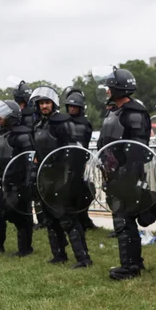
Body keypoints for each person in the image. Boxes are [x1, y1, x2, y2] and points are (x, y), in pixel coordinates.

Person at [96, 68, 154, 280]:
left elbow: (137, 148)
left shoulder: (135, 112)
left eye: (111, 87)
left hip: (128, 174)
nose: (108, 91)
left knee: (124, 220)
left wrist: (124, 172)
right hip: (114, 173)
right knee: (122, 219)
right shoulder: (114, 111)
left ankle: (130, 267)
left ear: (119, 89)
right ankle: (134, 262)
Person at [32, 87, 93, 268]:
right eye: (41, 103)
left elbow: (73, 151)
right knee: (50, 218)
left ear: (53, 104)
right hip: (45, 177)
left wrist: (69, 178)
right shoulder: (38, 125)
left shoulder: (63, 123)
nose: (44, 106)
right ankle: (59, 254)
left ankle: (83, 258)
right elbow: (38, 152)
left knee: (67, 218)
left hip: (62, 176)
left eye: (47, 103)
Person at [0, 100, 36, 256]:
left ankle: (25, 249)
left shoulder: (22, 135)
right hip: (5, 184)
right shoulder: (1, 135)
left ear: (11, 115)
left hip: (19, 184)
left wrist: (28, 184)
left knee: (21, 217)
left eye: (1, 114)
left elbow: (30, 160)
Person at [63, 88, 98, 231]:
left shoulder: (85, 123)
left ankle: (82, 218)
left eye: (75, 106)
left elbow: (84, 142)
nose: (72, 108)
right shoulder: (63, 121)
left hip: (78, 162)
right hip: (64, 162)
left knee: (82, 191)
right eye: (70, 106)